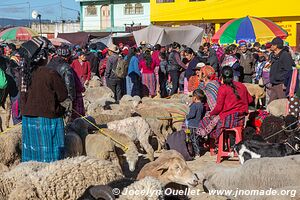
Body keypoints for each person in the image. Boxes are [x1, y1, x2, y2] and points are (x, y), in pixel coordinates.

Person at [19, 37, 68, 162]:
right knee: (51, 156)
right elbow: (63, 95)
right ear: (42, 56)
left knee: (33, 155)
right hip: (48, 119)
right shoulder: (50, 73)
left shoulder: (24, 73)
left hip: (28, 118)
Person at [209, 66, 252, 139]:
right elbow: (250, 100)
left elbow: (219, 108)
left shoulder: (223, 88)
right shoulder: (241, 85)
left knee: (209, 121)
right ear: (233, 76)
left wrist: (211, 113)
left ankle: (214, 142)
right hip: (240, 119)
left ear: (222, 77)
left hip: (227, 120)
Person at [269, 37, 294, 103]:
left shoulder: (285, 55)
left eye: (272, 45)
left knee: (283, 104)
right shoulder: (274, 55)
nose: (270, 46)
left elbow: (289, 70)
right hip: (274, 84)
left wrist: (285, 83)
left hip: (281, 84)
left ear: (276, 46)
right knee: (270, 105)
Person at [186, 89, 205, 156]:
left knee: (192, 139)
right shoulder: (202, 105)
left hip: (192, 126)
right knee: (196, 139)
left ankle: (197, 153)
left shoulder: (194, 106)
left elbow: (192, 115)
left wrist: (187, 116)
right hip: (198, 125)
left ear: (195, 97)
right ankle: (195, 151)